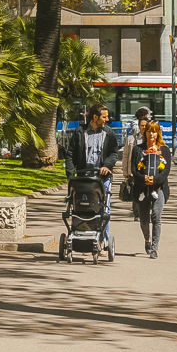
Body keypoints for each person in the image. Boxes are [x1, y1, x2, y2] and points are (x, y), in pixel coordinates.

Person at [63, 104, 119, 257]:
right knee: (80, 206)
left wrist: (107, 165)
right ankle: (79, 236)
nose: (107, 120)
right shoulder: (80, 132)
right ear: (95, 117)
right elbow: (70, 154)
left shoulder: (109, 133)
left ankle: (102, 240)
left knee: (103, 209)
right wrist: (71, 174)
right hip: (83, 176)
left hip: (101, 177)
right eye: (104, 117)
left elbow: (114, 153)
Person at [133, 121, 171, 258]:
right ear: (145, 133)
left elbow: (166, 171)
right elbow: (134, 170)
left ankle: (154, 248)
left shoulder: (164, 150)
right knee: (144, 219)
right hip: (142, 190)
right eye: (149, 131)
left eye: (154, 131)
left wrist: (154, 180)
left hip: (159, 189)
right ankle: (147, 240)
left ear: (158, 133)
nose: (151, 134)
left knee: (156, 216)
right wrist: (144, 179)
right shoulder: (138, 149)